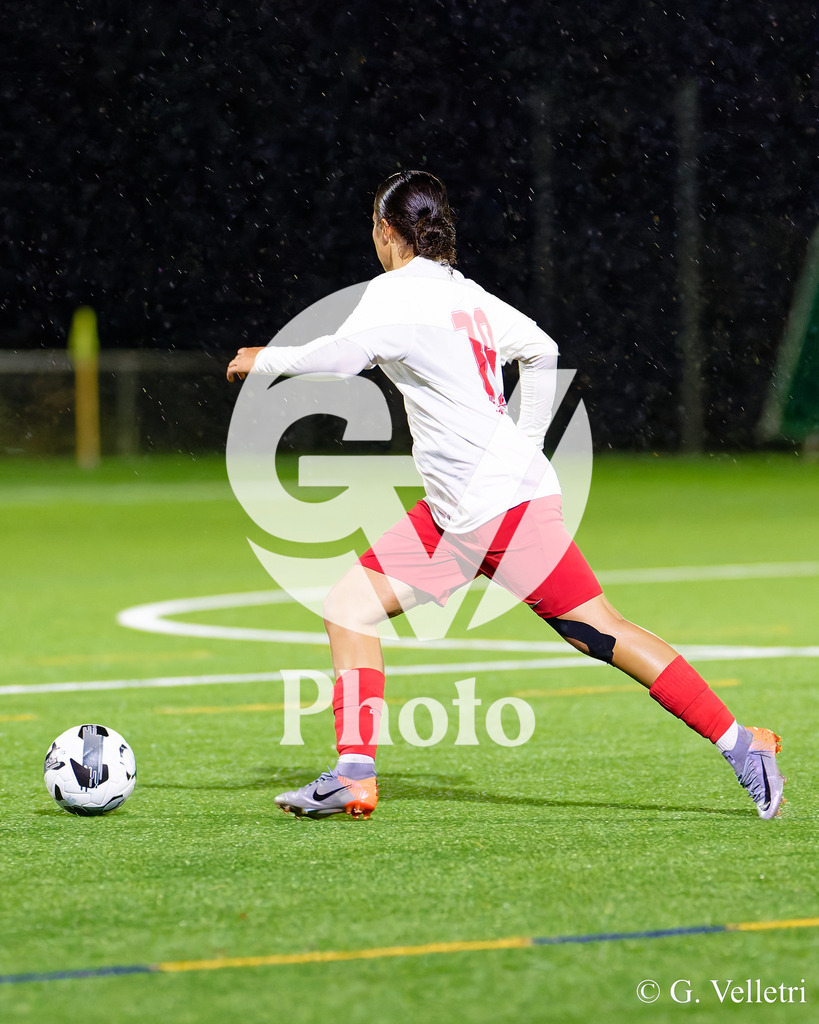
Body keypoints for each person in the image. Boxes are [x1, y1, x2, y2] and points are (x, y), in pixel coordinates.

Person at [226, 169, 785, 821]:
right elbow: (542, 349)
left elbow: (342, 360)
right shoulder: (464, 294)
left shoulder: (395, 293)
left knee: (598, 631)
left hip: (499, 510)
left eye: (373, 227)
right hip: (457, 512)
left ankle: (743, 744)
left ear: (385, 230)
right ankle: (353, 774)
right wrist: (523, 441)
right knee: (349, 606)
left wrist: (264, 359)